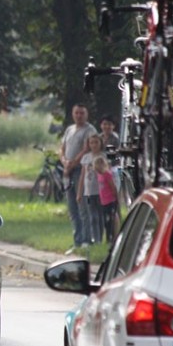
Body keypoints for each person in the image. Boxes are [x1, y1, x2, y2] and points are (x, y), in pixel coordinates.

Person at [60, 103, 97, 254]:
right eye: (76, 113)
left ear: (86, 114)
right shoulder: (69, 129)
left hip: (81, 171)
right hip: (68, 171)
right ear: (73, 114)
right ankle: (77, 240)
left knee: (82, 206)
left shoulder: (90, 130)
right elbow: (62, 148)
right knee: (72, 208)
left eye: (82, 113)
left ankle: (86, 240)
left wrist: (73, 163)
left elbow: (86, 149)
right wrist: (64, 162)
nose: (79, 116)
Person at [77, 134, 105, 245]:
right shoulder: (86, 158)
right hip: (89, 192)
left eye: (96, 142)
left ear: (100, 143)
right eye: (91, 143)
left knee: (100, 215)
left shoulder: (103, 156)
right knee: (92, 216)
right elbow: (82, 176)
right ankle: (95, 239)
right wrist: (79, 193)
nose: (94, 145)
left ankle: (101, 237)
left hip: (101, 191)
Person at [94, 155, 119, 242]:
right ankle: (108, 237)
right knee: (105, 220)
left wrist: (115, 197)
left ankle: (111, 237)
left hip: (110, 200)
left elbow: (112, 186)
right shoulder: (99, 175)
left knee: (110, 220)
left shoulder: (107, 174)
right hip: (103, 201)